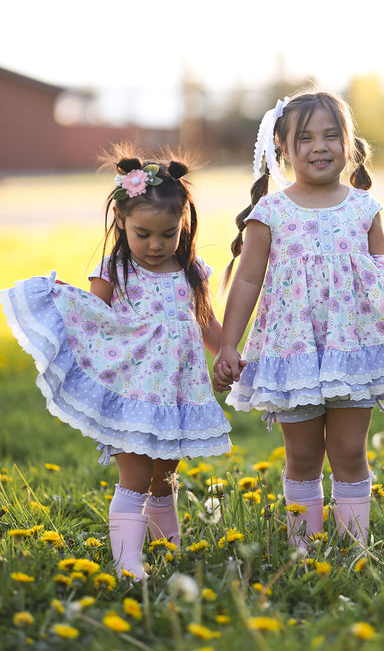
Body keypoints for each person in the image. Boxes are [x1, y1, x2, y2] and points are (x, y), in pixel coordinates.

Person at [213, 91, 384, 551]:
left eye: (330, 135)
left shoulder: (364, 208)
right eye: (305, 138)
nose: (319, 146)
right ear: (282, 147)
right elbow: (246, 283)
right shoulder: (271, 213)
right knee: (302, 456)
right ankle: (304, 550)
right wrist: (229, 345)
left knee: (349, 452)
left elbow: (382, 276)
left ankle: (353, 549)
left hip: (352, 352)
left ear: (349, 143)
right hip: (293, 352)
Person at [1, 147, 231, 580]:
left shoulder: (191, 271)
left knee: (164, 480)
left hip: (176, 397)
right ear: (121, 221)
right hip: (131, 394)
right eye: (143, 233)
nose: (156, 245)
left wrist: (230, 356)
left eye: (169, 233)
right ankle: (129, 567)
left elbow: (208, 325)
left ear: (184, 224)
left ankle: (169, 553)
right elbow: (93, 322)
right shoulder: (113, 272)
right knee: (135, 478)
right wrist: (61, 303)